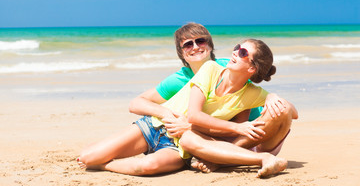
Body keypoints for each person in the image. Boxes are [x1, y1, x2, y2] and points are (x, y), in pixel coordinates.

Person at [78, 36, 293, 177]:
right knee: (88, 157)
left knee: (146, 167)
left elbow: (292, 113)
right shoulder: (210, 69)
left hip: (181, 145)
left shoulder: (251, 94)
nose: (236, 52)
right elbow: (194, 115)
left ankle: (104, 165)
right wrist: (239, 128)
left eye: (243, 53)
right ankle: (100, 160)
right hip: (154, 126)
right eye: (237, 48)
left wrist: (273, 96)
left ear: (252, 68)